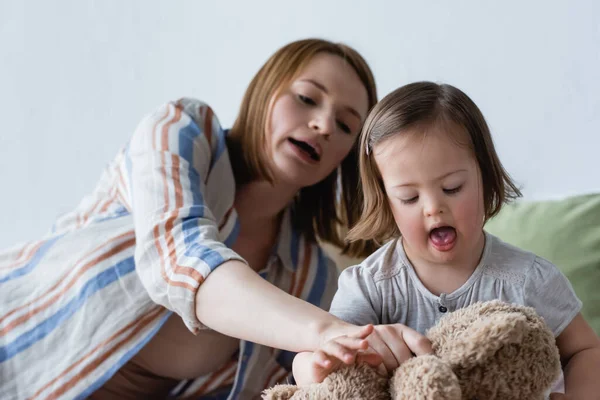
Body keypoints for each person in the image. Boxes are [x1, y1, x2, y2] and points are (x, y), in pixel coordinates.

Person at [0, 39, 381, 399]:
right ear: (267, 89)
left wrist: (325, 360)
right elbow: (180, 255)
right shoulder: (183, 130)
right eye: (307, 98)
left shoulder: (310, 276)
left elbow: (298, 382)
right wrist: (326, 331)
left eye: (346, 125)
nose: (324, 125)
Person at [292, 82, 600, 399]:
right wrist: (316, 370)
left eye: (452, 187)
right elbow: (310, 358)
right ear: (386, 200)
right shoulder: (369, 286)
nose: (433, 208)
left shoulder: (528, 280)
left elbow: (586, 350)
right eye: (409, 197)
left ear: (485, 177)